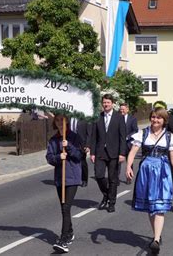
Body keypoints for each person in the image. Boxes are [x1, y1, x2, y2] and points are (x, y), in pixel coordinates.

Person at [126, 108, 173, 254]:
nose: (155, 120)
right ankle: (156, 234)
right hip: (146, 172)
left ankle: (156, 240)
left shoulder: (169, 137)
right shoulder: (143, 133)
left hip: (163, 173)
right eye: (153, 117)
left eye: (159, 118)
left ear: (164, 120)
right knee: (151, 206)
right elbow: (132, 152)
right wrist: (128, 167)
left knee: (160, 206)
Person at [46, 114, 83, 253]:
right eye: (57, 120)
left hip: (72, 177)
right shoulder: (53, 139)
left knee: (66, 207)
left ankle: (63, 239)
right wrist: (58, 157)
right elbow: (49, 157)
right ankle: (70, 232)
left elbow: (79, 156)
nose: (60, 123)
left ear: (67, 121)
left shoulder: (74, 137)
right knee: (63, 208)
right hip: (59, 178)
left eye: (62, 120)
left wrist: (69, 147)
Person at [90, 94, 127, 213]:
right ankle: (106, 194)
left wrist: (122, 153)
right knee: (99, 175)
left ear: (112, 104)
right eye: (104, 102)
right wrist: (92, 152)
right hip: (100, 152)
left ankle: (111, 202)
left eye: (108, 102)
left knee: (113, 179)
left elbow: (122, 136)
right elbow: (94, 136)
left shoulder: (119, 117)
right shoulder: (98, 117)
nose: (106, 105)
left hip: (114, 153)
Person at [119, 103, 138, 185]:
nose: (121, 111)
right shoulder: (117, 118)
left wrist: (128, 137)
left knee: (129, 161)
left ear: (127, 109)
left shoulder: (132, 119)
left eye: (123, 109)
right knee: (117, 161)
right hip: (119, 144)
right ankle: (116, 178)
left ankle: (129, 177)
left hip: (128, 144)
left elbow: (135, 130)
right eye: (120, 109)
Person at [70, 117, 91, 187]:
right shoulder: (69, 117)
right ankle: (74, 178)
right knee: (71, 161)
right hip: (71, 142)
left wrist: (88, 145)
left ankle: (84, 179)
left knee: (82, 162)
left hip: (81, 143)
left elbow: (89, 133)